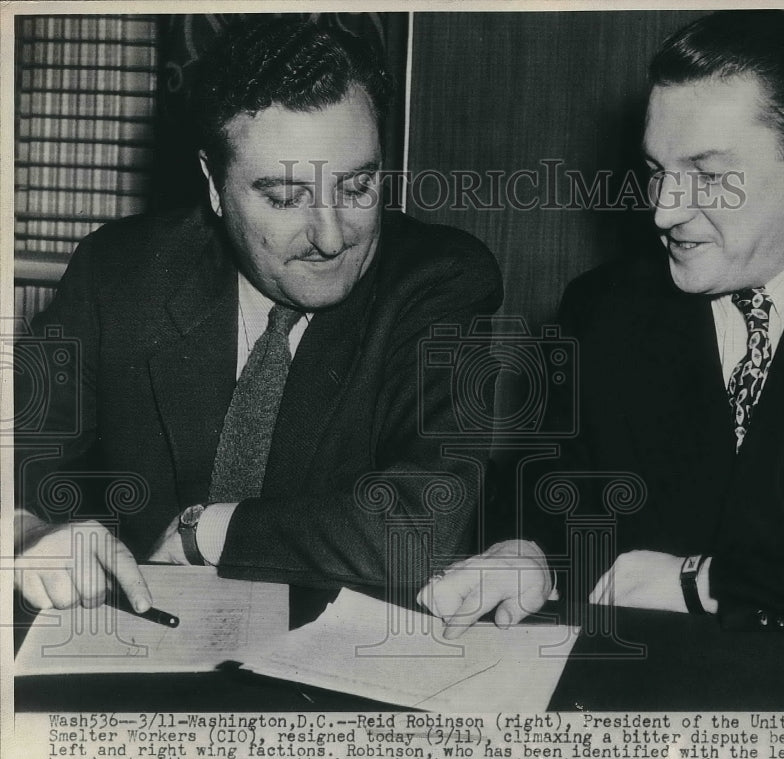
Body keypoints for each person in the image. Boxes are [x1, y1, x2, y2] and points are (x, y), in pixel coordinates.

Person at [420, 10, 784, 639]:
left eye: (710, 177)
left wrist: (704, 583)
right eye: (659, 171)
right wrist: (528, 555)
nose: (665, 211)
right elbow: (567, 497)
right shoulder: (604, 310)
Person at [14, 16, 502, 623]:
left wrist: (206, 532)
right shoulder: (120, 274)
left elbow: (421, 520)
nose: (331, 238)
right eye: (284, 197)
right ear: (215, 186)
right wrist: (25, 534)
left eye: (357, 187)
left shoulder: (438, 282)